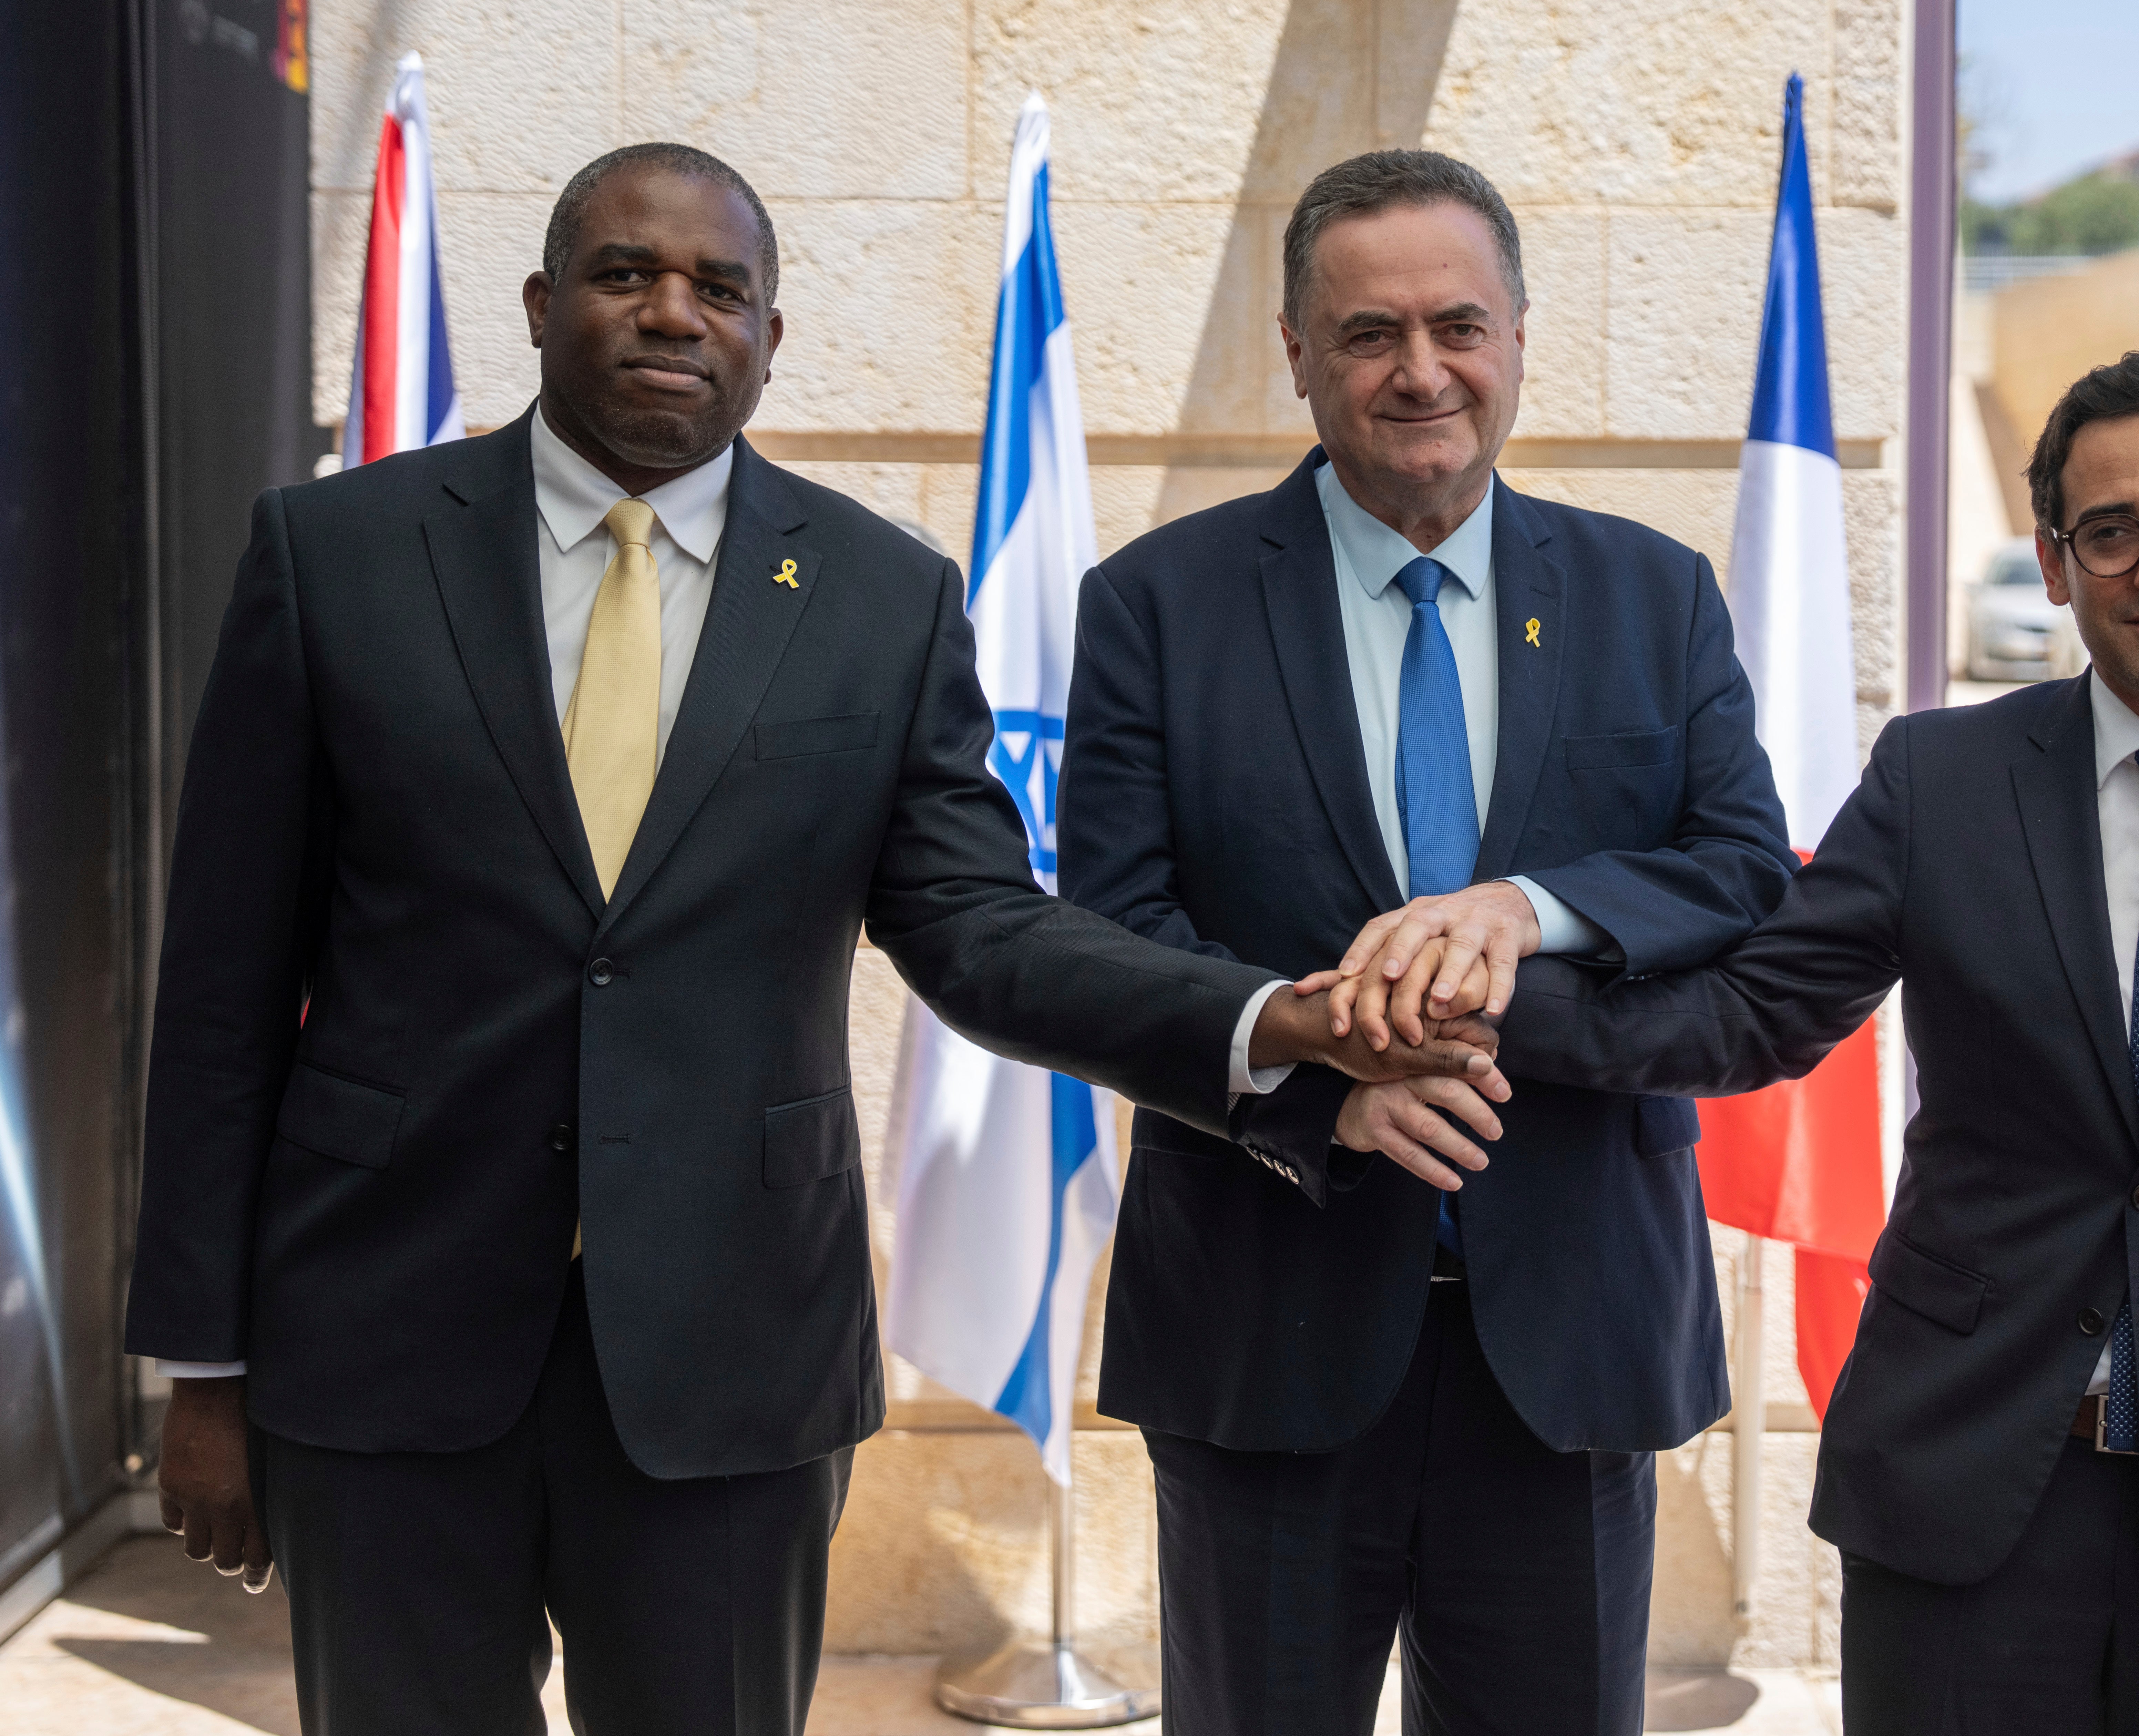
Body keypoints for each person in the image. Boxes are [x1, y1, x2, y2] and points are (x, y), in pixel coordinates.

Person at [126, 142, 1497, 1736]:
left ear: (772, 337)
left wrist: (1272, 1022)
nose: (672, 314)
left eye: (721, 288)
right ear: (539, 303)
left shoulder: (878, 599)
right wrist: (202, 1373)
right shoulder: (334, 558)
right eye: (625, 274)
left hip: (734, 1367)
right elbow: (223, 991)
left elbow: (981, 932)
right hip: (381, 1347)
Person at [1410, 347, 2139, 1733]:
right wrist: (1483, 989)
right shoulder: (1940, 783)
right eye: (2109, 532)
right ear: (2056, 566)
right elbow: (1750, 1015)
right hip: (1964, 1502)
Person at [1058, 149, 1798, 1734]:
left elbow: (1743, 872)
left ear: (1520, 336)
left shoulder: (1651, 598)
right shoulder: (1155, 606)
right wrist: (1320, 1088)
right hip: (1268, 1326)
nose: (1420, 370)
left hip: (1570, 1339)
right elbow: (1110, 940)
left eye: (1459, 324)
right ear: (1299, 354)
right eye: (1370, 334)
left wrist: (1529, 910)